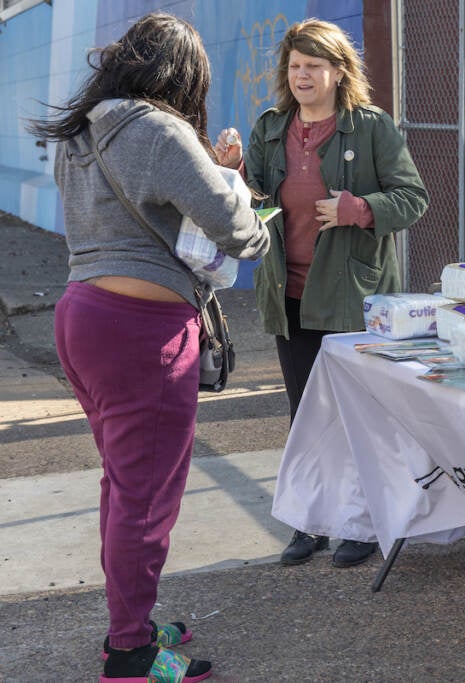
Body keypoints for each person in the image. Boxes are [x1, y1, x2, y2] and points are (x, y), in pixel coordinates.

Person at [28, 13, 270, 683]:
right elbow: (237, 232)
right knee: (146, 498)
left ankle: (131, 622)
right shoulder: (160, 130)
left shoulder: (82, 130)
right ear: (181, 73)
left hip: (82, 314)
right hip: (144, 331)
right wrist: (237, 188)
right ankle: (130, 652)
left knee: (123, 484)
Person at [213, 19, 428, 568]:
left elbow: (413, 198)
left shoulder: (371, 128)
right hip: (291, 295)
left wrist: (360, 209)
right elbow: (255, 201)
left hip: (355, 297)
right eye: (295, 66)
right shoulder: (269, 127)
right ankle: (309, 524)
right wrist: (233, 172)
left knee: (359, 415)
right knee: (305, 415)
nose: (302, 75)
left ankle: (361, 522)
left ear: (338, 70)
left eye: (313, 65)